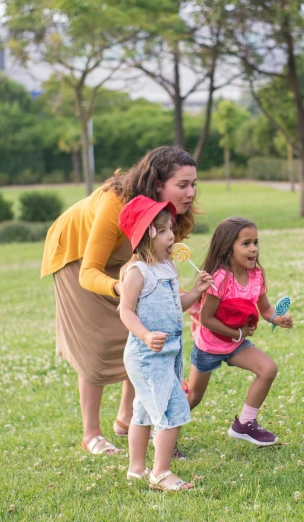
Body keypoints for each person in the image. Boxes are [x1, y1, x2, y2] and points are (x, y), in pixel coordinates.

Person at [40, 146, 200, 456]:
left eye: (193, 184)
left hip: (127, 258)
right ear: (156, 183)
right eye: (183, 185)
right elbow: (89, 272)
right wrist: (124, 289)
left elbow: (160, 263)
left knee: (142, 330)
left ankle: (128, 419)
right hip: (77, 255)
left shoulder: (168, 213)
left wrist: (182, 296)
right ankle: (91, 434)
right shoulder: (116, 204)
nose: (191, 192)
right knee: (96, 343)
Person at [117, 195, 213, 491]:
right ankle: (160, 472)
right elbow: (125, 310)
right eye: (165, 230)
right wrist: (145, 334)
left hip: (168, 353)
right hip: (146, 355)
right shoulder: (138, 272)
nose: (173, 235)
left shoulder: (168, 267)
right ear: (148, 233)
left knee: (144, 411)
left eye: (172, 228)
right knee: (173, 409)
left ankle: (136, 468)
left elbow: (175, 305)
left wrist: (196, 292)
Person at [187, 217, 293, 446]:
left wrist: (277, 318)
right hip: (210, 345)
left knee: (268, 369)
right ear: (227, 249)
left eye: (255, 242)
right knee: (193, 397)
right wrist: (238, 334)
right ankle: (162, 430)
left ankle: (245, 423)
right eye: (246, 244)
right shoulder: (220, 278)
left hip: (235, 343)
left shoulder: (256, 275)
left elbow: (264, 309)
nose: (254, 248)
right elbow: (206, 319)